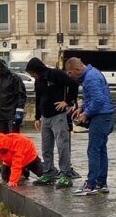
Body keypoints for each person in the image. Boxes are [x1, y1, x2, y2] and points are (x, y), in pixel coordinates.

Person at [25, 57, 79, 188]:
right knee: (46, 147)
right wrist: (37, 117)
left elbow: (73, 84)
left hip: (58, 116)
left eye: (32, 72)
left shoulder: (56, 74)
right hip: (45, 117)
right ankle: (48, 172)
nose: (31, 75)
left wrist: (68, 102)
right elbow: (38, 99)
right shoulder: (38, 81)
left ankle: (66, 174)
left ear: (37, 70)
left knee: (62, 145)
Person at [65, 57, 115, 196]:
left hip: (100, 117)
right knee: (101, 149)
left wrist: (86, 114)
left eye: (70, 73)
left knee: (93, 150)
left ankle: (91, 184)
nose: (69, 76)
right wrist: (81, 108)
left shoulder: (91, 78)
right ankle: (101, 183)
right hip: (106, 116)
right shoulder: (93, 73)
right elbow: (93, 97)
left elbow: (98, 100)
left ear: (77, 69)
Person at [0, 57, 27, 133]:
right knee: (3, 139)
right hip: (0, 115)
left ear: (2, 68)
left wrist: (19, 110)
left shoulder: (14, 78)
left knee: (13, 138)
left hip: (12, 114)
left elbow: (21, 95)